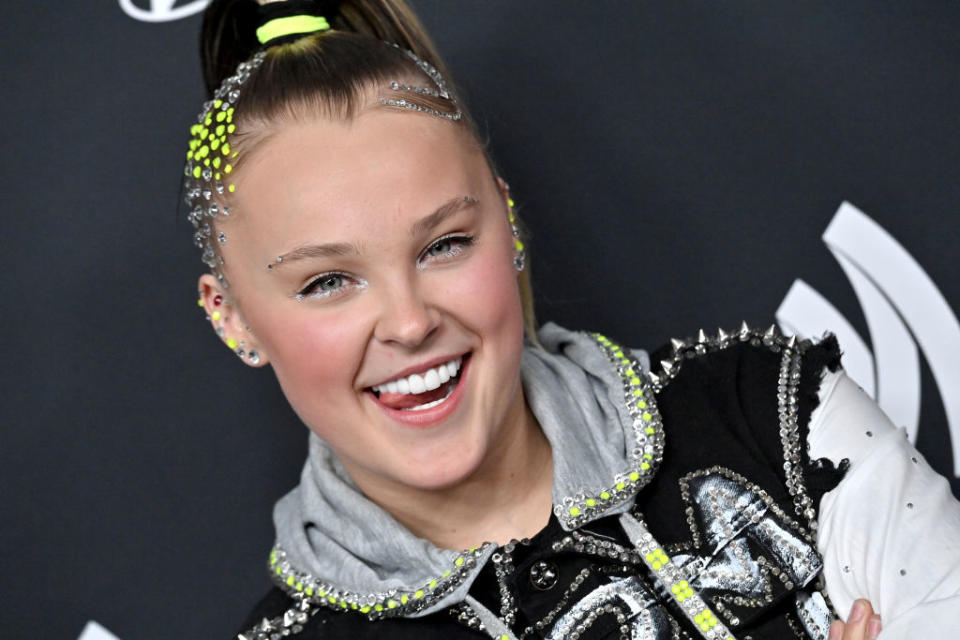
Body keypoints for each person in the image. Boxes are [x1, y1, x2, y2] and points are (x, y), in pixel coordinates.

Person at [181, 1, 960, 639]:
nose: (410, 322)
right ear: (234, 318)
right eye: (327, 282)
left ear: (508, 221)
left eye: (444, 244)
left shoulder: (775, 414)